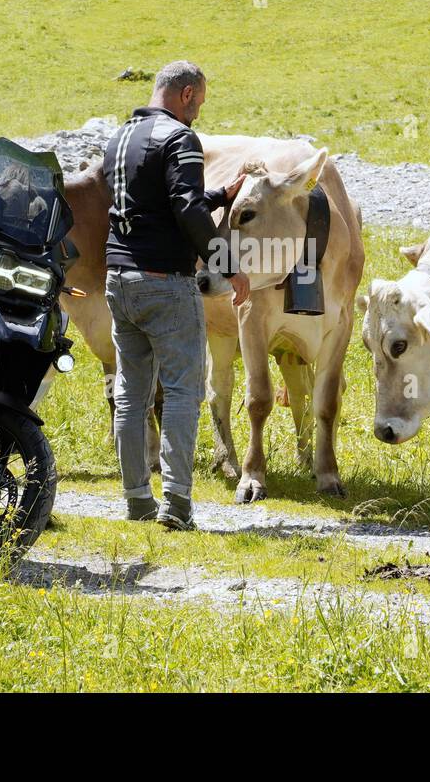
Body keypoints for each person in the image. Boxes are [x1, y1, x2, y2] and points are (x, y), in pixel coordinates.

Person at [102, 61, 248, 530]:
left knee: (131, 393)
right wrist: (226, 267)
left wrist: (222, 194)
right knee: (184, 388)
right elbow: (184, 208)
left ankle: (136, 499)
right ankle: (178, 503)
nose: (198, 113)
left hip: (119, 279)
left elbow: (156, 203)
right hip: (165, 280)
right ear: (186, 94)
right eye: (199, 103)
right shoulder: (180, 139)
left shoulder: (120, 137)